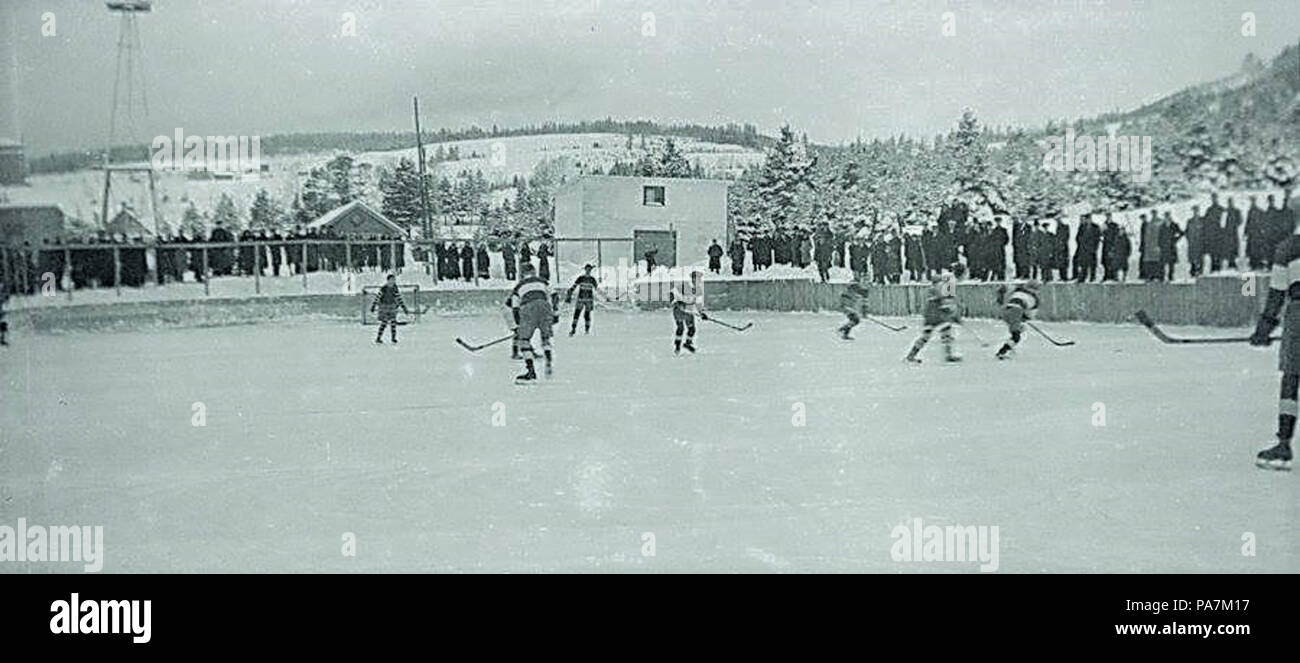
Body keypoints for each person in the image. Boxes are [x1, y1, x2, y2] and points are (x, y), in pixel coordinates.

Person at [1248, 195, 1300, 470]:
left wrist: (1263, 329)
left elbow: (1277, 294)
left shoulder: (1288, 248)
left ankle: (1283, 443)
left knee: (1292, 378)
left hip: (1298, 316)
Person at [506, 262, 554, 382]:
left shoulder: (519, 286)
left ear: (522, 274)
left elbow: (515, 307)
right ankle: (548, 356)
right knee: (545, 337)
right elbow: (554, 295)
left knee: (524, 341)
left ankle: (531, 372)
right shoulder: (542, 281)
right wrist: (555, 313)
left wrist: (518, 325)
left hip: (528, 307)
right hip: (545, 305)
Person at [904, 266, 963, 364]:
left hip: (930, 310)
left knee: (927, 334)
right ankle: (948, 355)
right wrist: (954, 315)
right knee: (946, 331)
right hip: (937, 311)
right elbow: (946, 300)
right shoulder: (949, 281)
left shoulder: (944, 279)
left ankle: (911, 355)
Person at [994, 280, 1041, 360]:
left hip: (1005, 311)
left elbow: (1003, 288)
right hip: (1016, 312)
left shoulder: (1017, 289)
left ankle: (1010, 346)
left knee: (1020, 330)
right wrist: (1024, 317)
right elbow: (1030, 315)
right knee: (1016, 336)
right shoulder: (1034, 299)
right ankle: (1003, 351)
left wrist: (1000, 297)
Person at [669, 270, 708, 355]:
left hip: (688, 310)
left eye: (699, 279)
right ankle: (677, 345)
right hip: (678, 309)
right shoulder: (684, 286)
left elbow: (698, 303)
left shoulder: (698, 290)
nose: (698, 281)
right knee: (680, 328)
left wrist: (701, 313)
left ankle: (687, 343)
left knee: (692, 329)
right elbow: (672, 293)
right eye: (696, 279)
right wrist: (676, 303)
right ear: (692, 279)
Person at [370, 274, 410, 344]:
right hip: (384, 307)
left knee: (393, 322)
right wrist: (373, 305)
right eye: (391, 280)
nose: (393, 281)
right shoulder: (384, 288)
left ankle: (393, 338)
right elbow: (378, 297)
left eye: (394, 280)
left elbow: (399, 298)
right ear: (388, 280)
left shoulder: (395, 288)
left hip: (392, 307)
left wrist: (404, 308)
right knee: (384, 323)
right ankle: (378, 338)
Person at [565, 264, 599, 336]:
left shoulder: (592, 279)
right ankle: (573, 329)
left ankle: (587, 330)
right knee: (577, 314)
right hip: (581, 299)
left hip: (588, 300)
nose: (588, 271)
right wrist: (570, 292)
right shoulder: (581, 278)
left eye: (589, 269)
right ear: (585, 269)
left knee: (586, 315)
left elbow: (597, 289)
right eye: (587, 269)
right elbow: (574, 286)